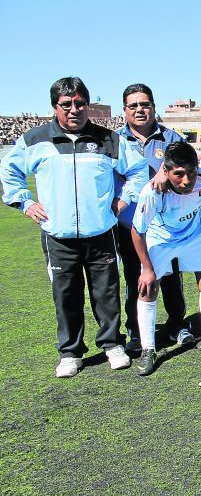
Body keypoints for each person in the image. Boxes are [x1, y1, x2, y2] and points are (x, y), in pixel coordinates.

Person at [0, 77, 148, 377]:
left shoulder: (109, 140)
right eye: (66, 105)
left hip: (101, 232)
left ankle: (111, 344)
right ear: (55, 107)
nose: (73, 110)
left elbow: (138, 171)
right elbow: (10, 173)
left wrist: (122, 199)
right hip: (58, 235)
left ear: (87, 105)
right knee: (66, 294)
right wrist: (26, 203)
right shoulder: (35, 140)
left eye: (79, 103)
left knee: (106, 292)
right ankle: (70, 352)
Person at [131, 142, 201, 375]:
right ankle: (148, 349)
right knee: (148, 287)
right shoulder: (153, 191)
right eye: (178, 174)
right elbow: (137, 231)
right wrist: (146, 268)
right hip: (161, 238)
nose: (186, 180)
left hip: (194, 235)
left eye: (191, 172)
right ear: (166, 171)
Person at [115, 83, 188, 353]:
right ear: (125, 110)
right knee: (135, 276)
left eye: (144, 104)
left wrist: (165, 174)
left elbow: (188, 169)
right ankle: (135, 330)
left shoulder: (171, 138)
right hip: (130, 224)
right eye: (133, 105)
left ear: (154, 107)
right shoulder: (114, 140)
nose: (140, 110)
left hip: (166, 225)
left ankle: (177, 325)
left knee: (171, 277)